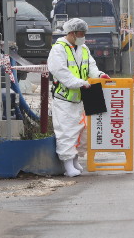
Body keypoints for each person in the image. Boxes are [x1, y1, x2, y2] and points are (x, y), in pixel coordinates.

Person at [47, 18, 110, 177]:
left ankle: (75, 160)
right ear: (72, 33)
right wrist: (79, 83)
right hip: (64, 98)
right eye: (81, 34)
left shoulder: (83, 48)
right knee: (66, 131)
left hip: (82, 97)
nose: (84, 37)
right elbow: (60, 72)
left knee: (82, 130)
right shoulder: (58, 49)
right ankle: (68, 166)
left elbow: (91, 67)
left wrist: (100, 75)